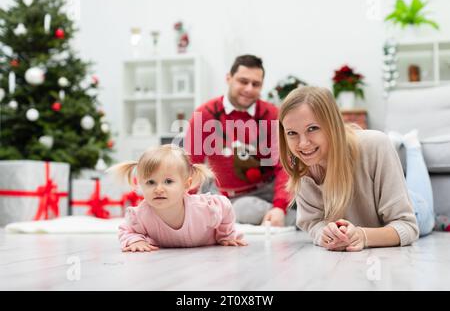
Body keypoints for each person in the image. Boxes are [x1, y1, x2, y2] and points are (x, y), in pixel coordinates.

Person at [278, 86, 434, 251]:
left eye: (313, 128)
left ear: (333, 126)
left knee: (423, 213)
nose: (302, 144)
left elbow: (408, 226)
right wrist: (325, 233)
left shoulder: (376, 144)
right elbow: (313, 223)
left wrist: (363, 236)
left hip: (414, 209)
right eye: (292, 133)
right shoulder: (302, 164)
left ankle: (412, 146)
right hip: (376, 203)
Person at [185, 54, 295, 227]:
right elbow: (192, 165)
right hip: (220, 194)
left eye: (256, 84)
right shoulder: (205, 114)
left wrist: (280, 206)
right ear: (229, 78)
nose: (249, 89)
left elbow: (284, 166)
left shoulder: (272, 115)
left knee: (245, 209)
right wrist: (186, 206)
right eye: (243, 81)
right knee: (231, 209)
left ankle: (279, 216)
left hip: (264, 191)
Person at [109, 144, 247, 252]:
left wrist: (225, 235)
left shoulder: (203, 209)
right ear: (140, 185)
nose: (158, 189)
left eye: (168, 181)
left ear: (186, 185)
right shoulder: (140, 215)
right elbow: (126, 230)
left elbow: (225, 206)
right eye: (150, 182)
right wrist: (135, 241)